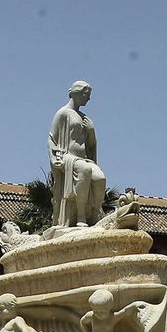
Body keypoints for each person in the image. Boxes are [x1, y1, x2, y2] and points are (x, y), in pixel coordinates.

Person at [48, 80, 107, 228]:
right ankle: (81, 216)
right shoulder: (63, 113)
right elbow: (51, 138)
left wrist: (91, 130)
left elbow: (91, 145)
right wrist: (54, 158)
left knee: (100, 178)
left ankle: (94, 213)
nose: (88, 98)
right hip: (68, 157)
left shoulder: (85, 117)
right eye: (86, 95)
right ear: (77, 93)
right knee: (84, 170)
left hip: (84, 158)